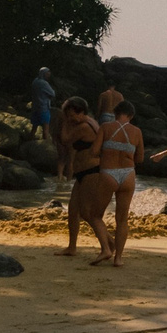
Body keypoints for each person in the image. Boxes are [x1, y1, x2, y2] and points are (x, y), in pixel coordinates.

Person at [95, 104, 145, 267]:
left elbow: (94, 151)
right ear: (131, 115)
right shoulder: (137, 131)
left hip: (109, 173)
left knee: (96, 215)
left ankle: (106, 249)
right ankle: (118, 258)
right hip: (128, 175)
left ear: (115, 114)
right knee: (122, 220)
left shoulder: (106, 127)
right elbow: (140, 158)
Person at [57, 97, 108, 257]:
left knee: (87, 213)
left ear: (82, 112)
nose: (71, 118)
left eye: (72, 115)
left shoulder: (85, 126)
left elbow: (65, 139)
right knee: (73, 210)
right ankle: (72, 247)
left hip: (92, 171)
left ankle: (108, 245)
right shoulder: (90, 121)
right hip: (84, 173)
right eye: (68, 115)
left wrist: (64, 122)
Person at [31, 67, 57, 177]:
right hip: (44, 107)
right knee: (46, 128)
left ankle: (30, 141)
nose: (49, 74)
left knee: (34, 127)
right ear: (44, 73)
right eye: (48, 73)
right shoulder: (44, 83)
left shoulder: (35, 81)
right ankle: (46, 148)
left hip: (35, 107)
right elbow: (52, 94)